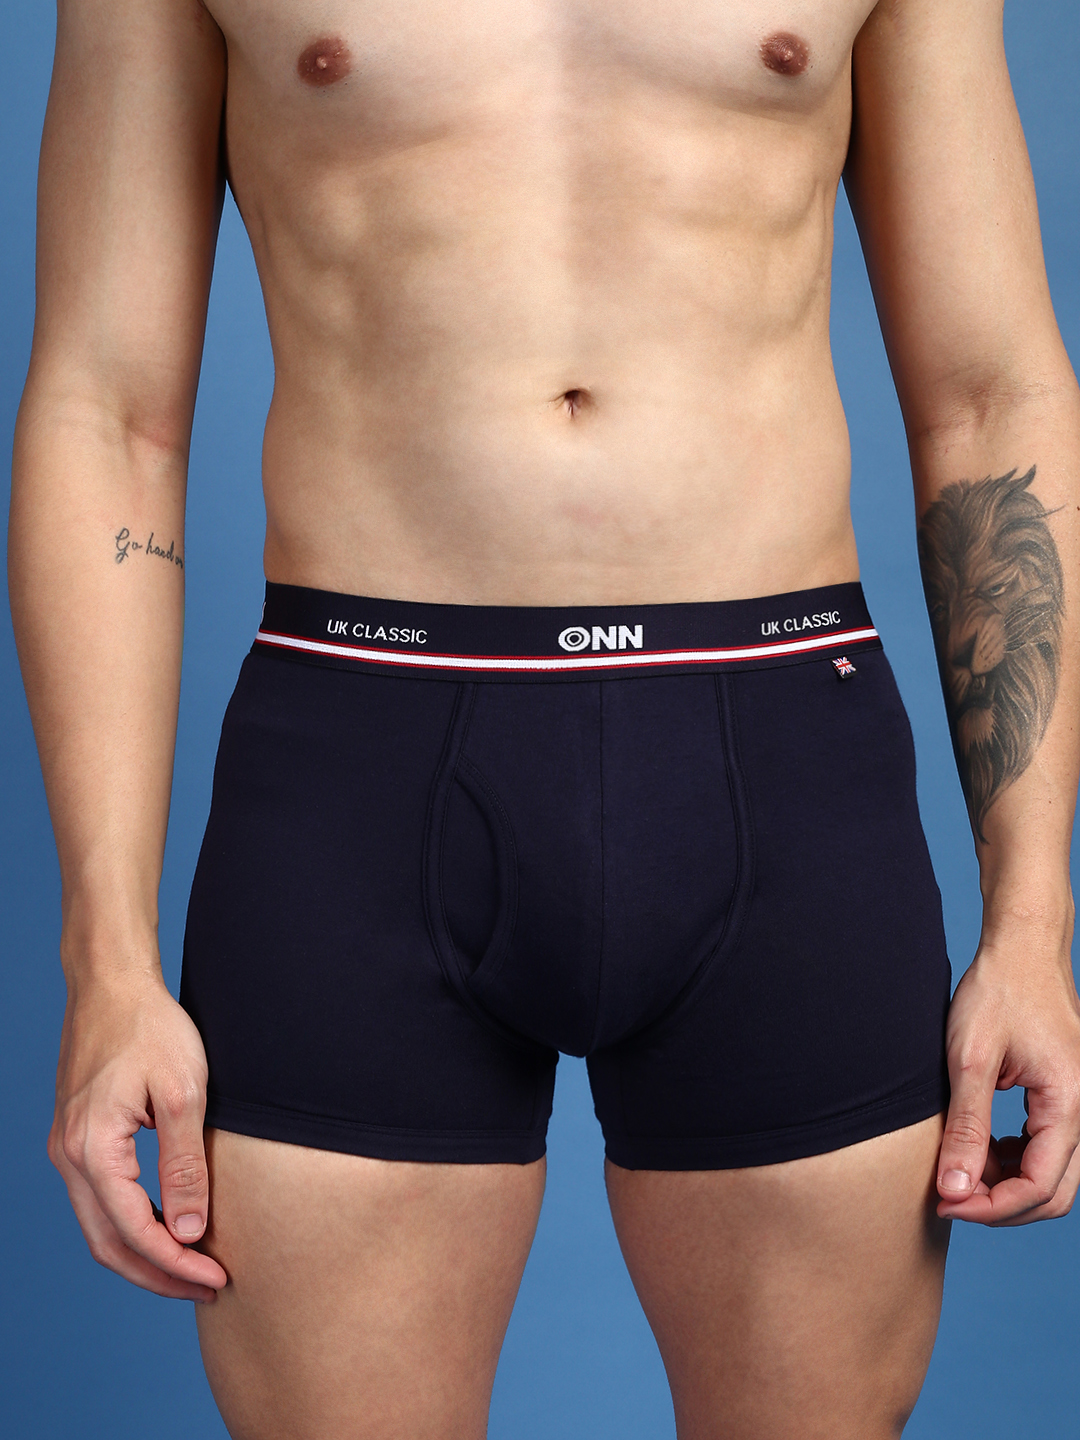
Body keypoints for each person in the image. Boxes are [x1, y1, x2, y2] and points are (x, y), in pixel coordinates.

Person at [10, 0, 1080, 1435]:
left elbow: (989, 395)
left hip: (780, 764)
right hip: (360, 779)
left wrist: (1033, 924)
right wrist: (106, 961)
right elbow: (109, 409)